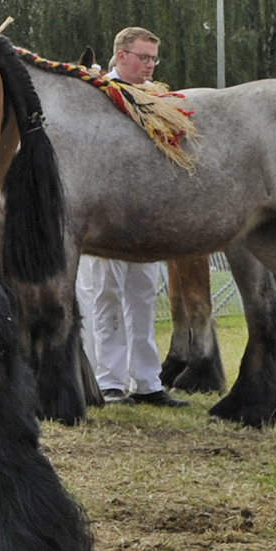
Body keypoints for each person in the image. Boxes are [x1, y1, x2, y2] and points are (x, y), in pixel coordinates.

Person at [75, 25, 188, 408]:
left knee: (143, 293)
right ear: (120, 56)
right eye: (143, 57)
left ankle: (147, 381)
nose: (150, 66)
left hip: (145, 212)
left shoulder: (156, 97)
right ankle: (108, 381)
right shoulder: (94, 92)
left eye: (154, 58)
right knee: (104, 294)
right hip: (105, 211)